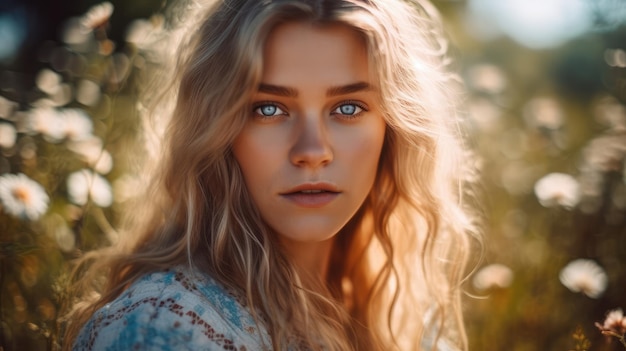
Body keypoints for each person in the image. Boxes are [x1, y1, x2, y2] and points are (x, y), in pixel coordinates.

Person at [63, 0, 478, 350]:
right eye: (268, 109)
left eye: (348, 108)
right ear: (218, 129)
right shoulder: (165, 328)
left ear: (395, 129)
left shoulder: (398, 321)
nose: (312, 152)